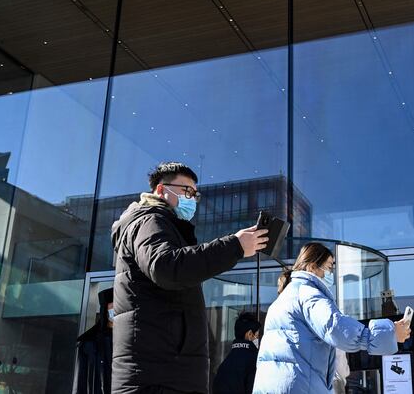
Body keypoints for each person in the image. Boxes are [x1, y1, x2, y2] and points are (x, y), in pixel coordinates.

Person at [110, 162, 268, 394]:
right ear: (162, 190)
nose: (192, 199)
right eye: (187, 191)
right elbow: (166, 268)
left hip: (167, 373)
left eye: (195, 194)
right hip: (159, 377)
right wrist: (234, 246)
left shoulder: (165, 225)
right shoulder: (148, 221)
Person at [253, 242, 410, 394]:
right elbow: (335, 327)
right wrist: (390, 333)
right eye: (328, 267)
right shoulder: (308, 293)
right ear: (312, 266)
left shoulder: (282, 299)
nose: (330, 274)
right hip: (299, 385)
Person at [73, 288, 114, 394]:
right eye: (112, 303)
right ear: (105, 308)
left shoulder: (130, 338)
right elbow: (80, 381)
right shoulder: (88, 342)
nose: (115, 307)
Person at [212, 312, 262, 394]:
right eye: (257, 335)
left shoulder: (225, 363)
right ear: (249, 334)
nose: (258, 339)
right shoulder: (254, 361)